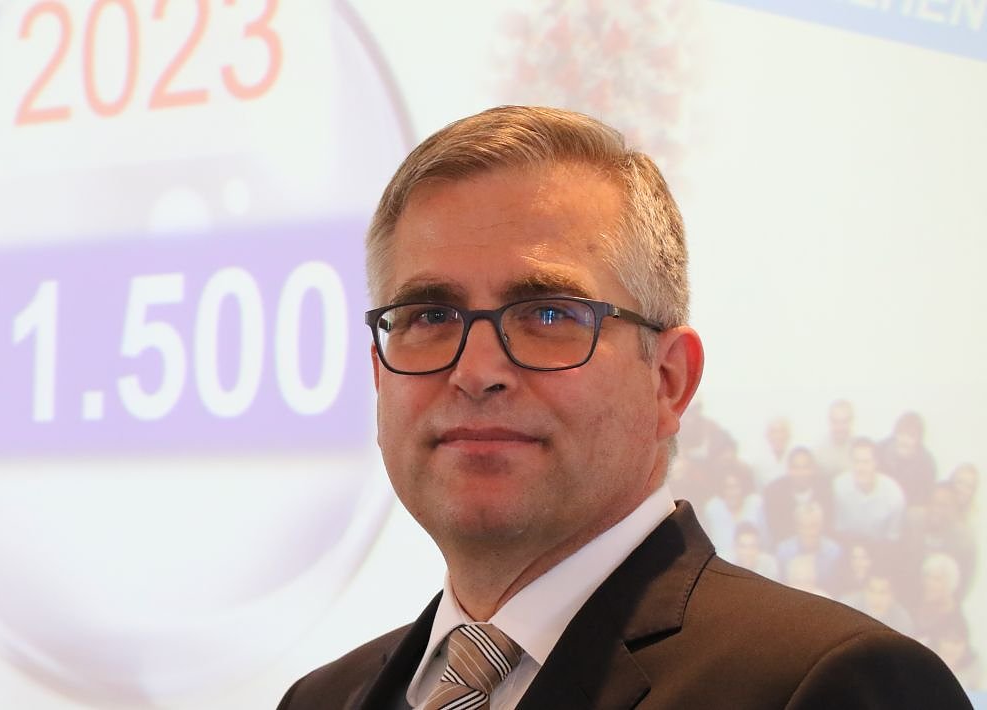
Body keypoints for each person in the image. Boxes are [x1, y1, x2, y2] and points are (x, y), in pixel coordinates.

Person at [278, 106, 969, 709]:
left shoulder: (833, 685)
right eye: (429, 315)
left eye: (549, 313)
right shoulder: (321, 699)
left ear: (669, 381)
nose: (476, 372)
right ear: (379, 377)